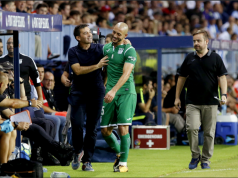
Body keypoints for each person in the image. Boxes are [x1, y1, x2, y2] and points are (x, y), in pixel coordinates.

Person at [174, 30, 227, 170]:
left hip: (211, 102)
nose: (196, 43)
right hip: (192, 101)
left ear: (206, 41)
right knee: (191, 128)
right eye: (194, 41)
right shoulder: (189, 58)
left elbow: (222, 77)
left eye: (198, 41)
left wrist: (224, 94)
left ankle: (205, 160)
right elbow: (181, 78)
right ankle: (195, 155)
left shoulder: (215, 58)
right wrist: (177, 97)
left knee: (209, 133)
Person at [68, 24, 108, 171]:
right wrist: (97, 66)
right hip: (78, 92)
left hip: (96, 92)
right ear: (78, 37)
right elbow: (77, 71)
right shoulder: (73, 51)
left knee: (92, 128)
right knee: (77, 125)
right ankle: (78, 151)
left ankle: (87, 161)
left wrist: (102, 84)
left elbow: (109, 66)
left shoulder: (100, 49)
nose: (90, 35)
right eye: (85, 33)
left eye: (90, 32)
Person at [100, 22, 137, 173]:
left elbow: (126, 73)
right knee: (105, 131)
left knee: (123, 127)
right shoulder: (106, 48)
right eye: (114, 32)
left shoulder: (130, 50)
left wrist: (114, 90)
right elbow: (103, 70)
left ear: (125, 36)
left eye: (119, 34)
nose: (115, 36)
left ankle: (123, 163)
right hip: (110, 92)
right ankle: (118, 153)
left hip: (126, 92)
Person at [0, 37, 43, 103]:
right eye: (9, 43)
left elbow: (36, 79)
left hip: (27, 97)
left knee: (38, 113)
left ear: (19, 45)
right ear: (6, 45)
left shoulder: (28, 60)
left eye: (13, 43)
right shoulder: (1, 60)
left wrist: (40, 98)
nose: (11, 45)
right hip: (7, 98)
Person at [36, 64, 66, 143]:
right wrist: (58, 113)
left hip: (46, 112)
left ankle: (64, 145)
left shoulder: (47, 90)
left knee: (67, 117)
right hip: (39, 113)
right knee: (59, 119)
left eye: (42, 72)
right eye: (38, 72)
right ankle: (55, 147)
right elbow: (40, 105)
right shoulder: (35, 86)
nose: (40, 74)